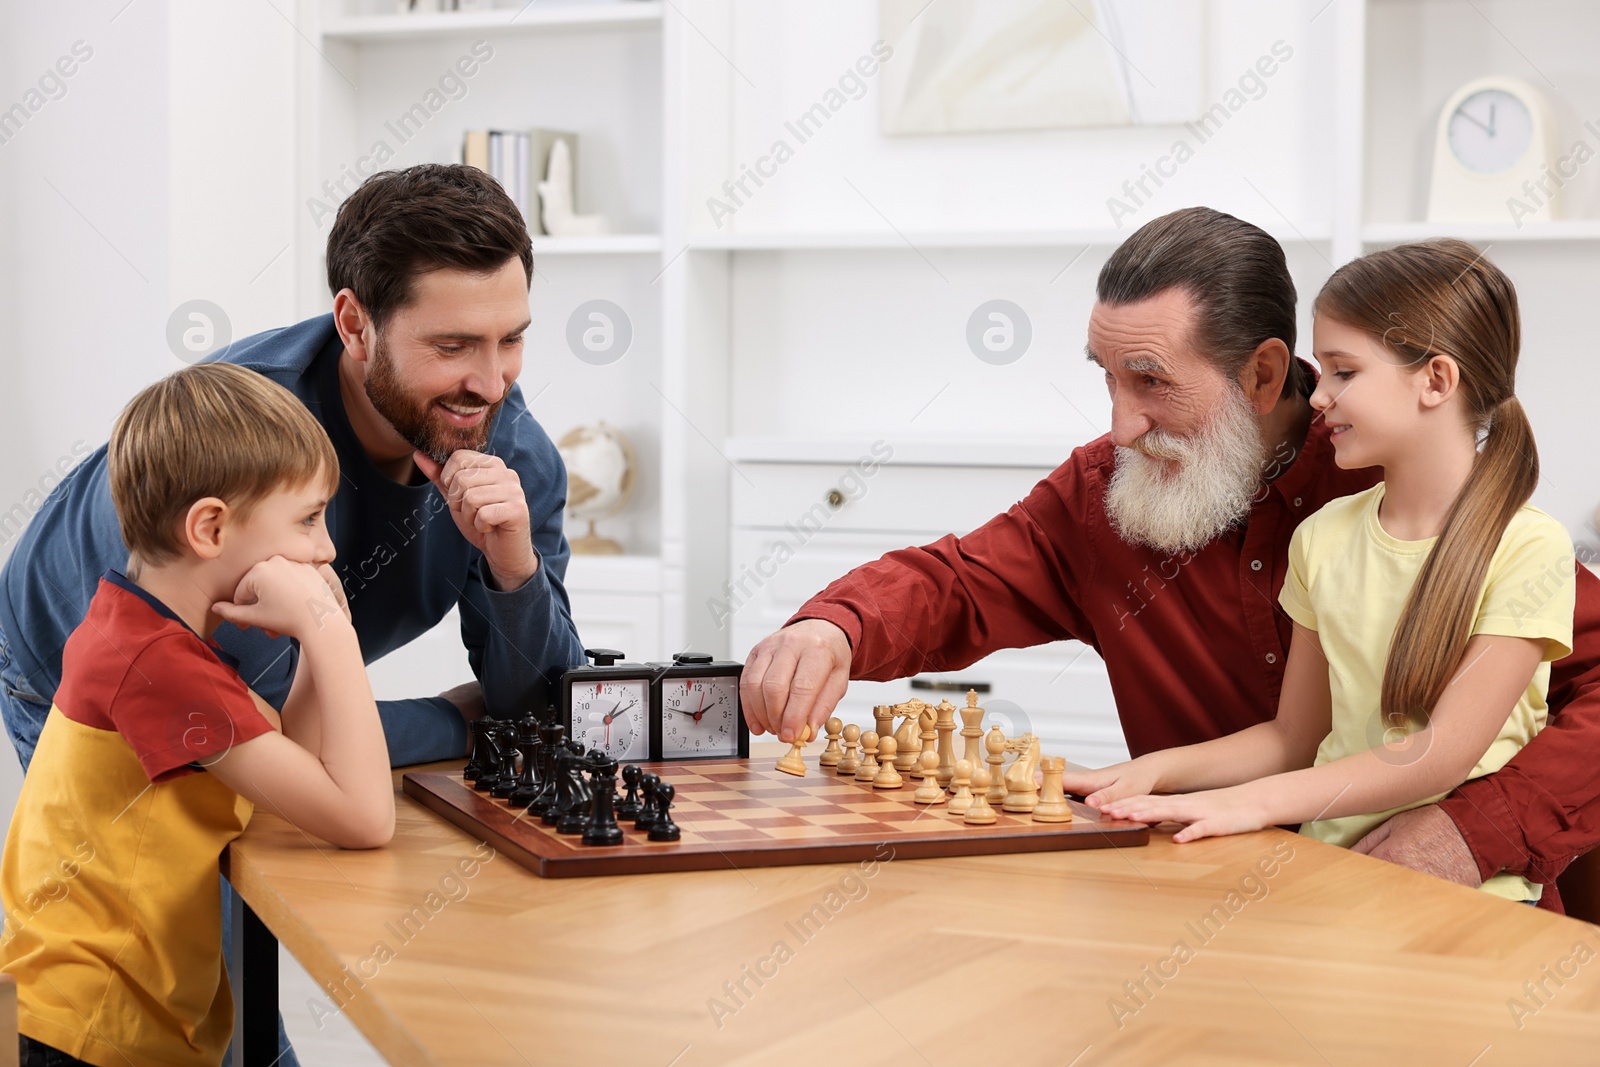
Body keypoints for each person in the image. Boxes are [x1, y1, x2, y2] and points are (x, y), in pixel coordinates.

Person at [739, 207, 1600, 912]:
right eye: (1108, 378)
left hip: (1438, 914)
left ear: (1264, 376)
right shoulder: (1106, 492)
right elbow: (962, 580)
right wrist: (835, 625)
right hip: (1210, 898)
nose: (1120, 426)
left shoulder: (1439, 500)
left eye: (1151, 381)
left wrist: (1474, 829)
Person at [0, 163, 585, 777]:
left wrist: (515, 570)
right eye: (452, 346)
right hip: (68, 658)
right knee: (196, 867)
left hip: (248, 701)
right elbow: (268, 729)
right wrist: (460, 721)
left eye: (511, 340)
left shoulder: (516, 459)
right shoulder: (242, 449)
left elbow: (548, 708)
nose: (491, 384)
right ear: (356, 326)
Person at [1061, 240, 1571, 901]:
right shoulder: (1323, 538)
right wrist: (1149, 773)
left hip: (1468, 907)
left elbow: (1439, 754)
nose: (1319, 396)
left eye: (1343, 372)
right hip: (1328, 879)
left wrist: (1251, 803)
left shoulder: (1531, 548)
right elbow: (1293, 735)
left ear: (1436, 381)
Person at [0, 364, 394, 1067]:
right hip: (93, 1030)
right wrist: (334, 632)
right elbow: (364, 818)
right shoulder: (157, 668)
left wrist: (314, 634)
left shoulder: (152, 630)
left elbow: (297, 781)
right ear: (210, 527)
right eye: (308, 519)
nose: (326, 547)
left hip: (117, 1017)